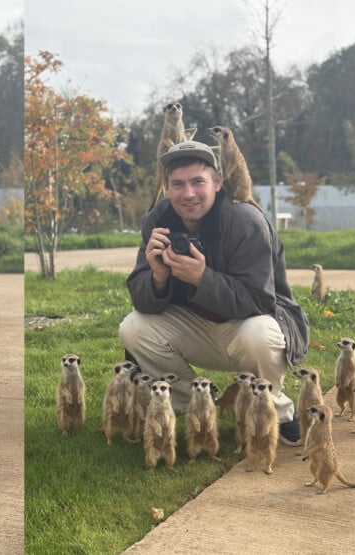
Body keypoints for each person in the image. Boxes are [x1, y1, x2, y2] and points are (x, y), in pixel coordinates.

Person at [118, 141, 309, 445]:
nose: (188, 194)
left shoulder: (246, 222)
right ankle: (197, 401)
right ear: (166, 187)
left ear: (218, 182)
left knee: (260, 335)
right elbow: (141, 301)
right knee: (133, 327)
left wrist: (202, 278)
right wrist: (157, 277)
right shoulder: (158, 219)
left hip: (249, 325)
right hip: (196, 326)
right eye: (177, 184)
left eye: (198, 182)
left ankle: (278, 410)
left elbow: (260, 302)